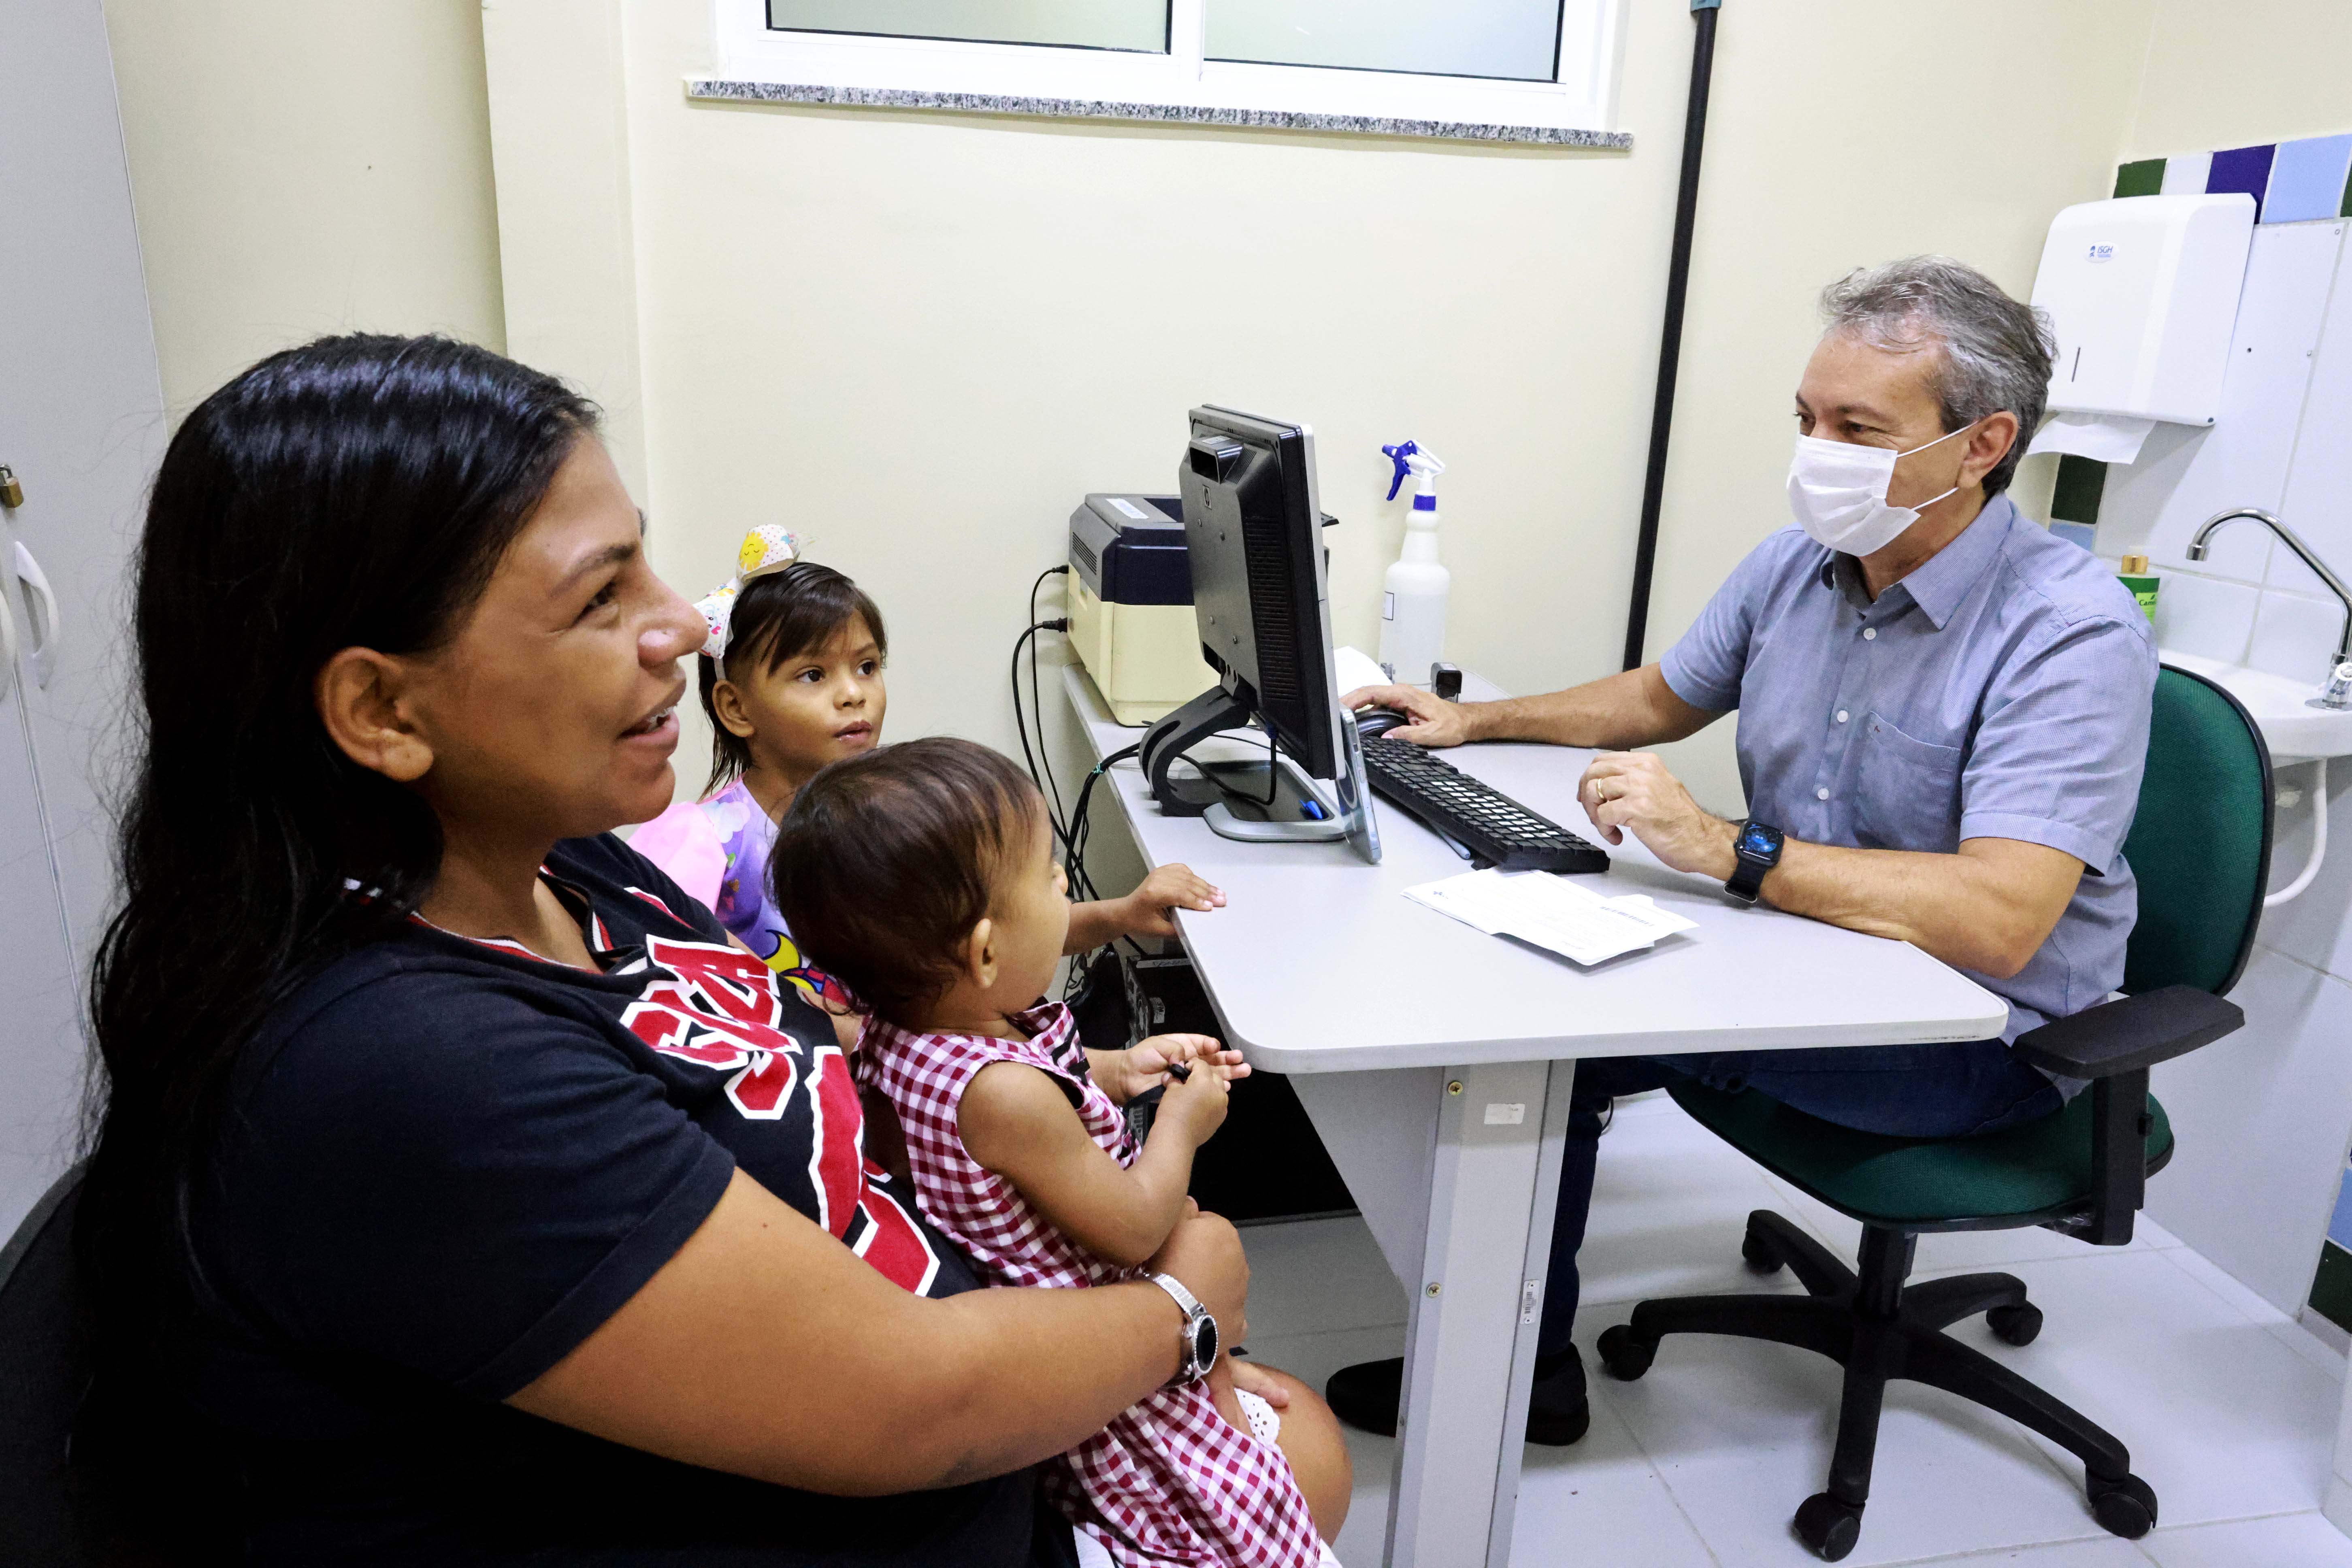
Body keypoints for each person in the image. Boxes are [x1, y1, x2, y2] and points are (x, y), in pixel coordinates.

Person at [75, 333, 1344, 1564]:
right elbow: (912, 1403)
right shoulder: (404, 1068)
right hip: (920, 1462)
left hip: (961, 1397)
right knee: (1309, 1452)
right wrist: (1177, 1314)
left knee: (1300, 1442)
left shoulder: (566, 862)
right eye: (601, 595)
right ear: (383, 709)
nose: (683, 627)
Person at [1332, 256, 2158, 1445]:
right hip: (1812, 955)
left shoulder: (2068, 631)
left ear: (1981, 446)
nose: (1817, 450)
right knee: (1512, 996)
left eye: (1858, 427)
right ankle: (1519, 1348)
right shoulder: (1797, 565)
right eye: (1808, 419)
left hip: (1982, 1033)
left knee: (1562, 1039)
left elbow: (2001, 920)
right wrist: (1476, 720)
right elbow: (1662, 696)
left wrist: (1728, 849)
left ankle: (1508, 1377)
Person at [771, 737, 1344, 1566]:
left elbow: (1018, 1127)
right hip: (1111, 1376)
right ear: (986, 953)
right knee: (1255, 1508)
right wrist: (1182, 1124)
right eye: (1049, 877)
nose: (1065, 890)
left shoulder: (910, 1031)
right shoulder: (1001, 1093)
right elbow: (1136, 1229)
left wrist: (1114, 1072)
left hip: (1078, 1325)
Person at [629, 528, 1222, 1007]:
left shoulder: (896, 816)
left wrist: (1124, 914)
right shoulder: (706, 841)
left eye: (866, 667)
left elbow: (1000, 938)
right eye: (814, 675)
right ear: (735, 708)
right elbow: (649, 969)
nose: (854, 694)